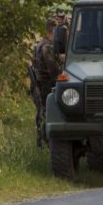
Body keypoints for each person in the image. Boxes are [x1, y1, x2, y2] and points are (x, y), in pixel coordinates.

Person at [29, 18, 62, 148]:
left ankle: (41, 140)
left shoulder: (39, 44)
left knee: (41, 111)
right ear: (53, 30)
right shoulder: (47, 47)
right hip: (46, 84)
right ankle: (46, 140)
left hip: (39, 84)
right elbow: (54, 71)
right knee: (47, 112)